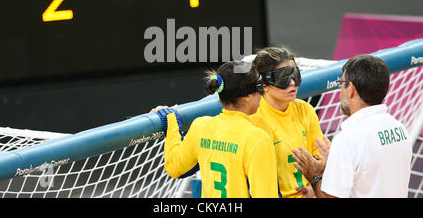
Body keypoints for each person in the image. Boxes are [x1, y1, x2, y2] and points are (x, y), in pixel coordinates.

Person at [151, 61, 279, 198]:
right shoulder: (258, 140)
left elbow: (174, 167)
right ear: (246, 97)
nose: (264, 92)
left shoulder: (200, 126)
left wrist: (171, 121)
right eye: (260, 87)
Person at [292, 54, 412, 198]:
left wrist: (315, 176)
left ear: (351, 89)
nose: (340, 89)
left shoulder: (347, 140)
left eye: (341, 83)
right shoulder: (399, 129)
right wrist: (335, 164)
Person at [249, 45, 324, 198]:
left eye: (295, 75)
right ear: (264, 84)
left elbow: (318, 161)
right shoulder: (253, 118)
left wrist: (315, 186)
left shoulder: (305, 110)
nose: (292, 83)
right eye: (283, 77)